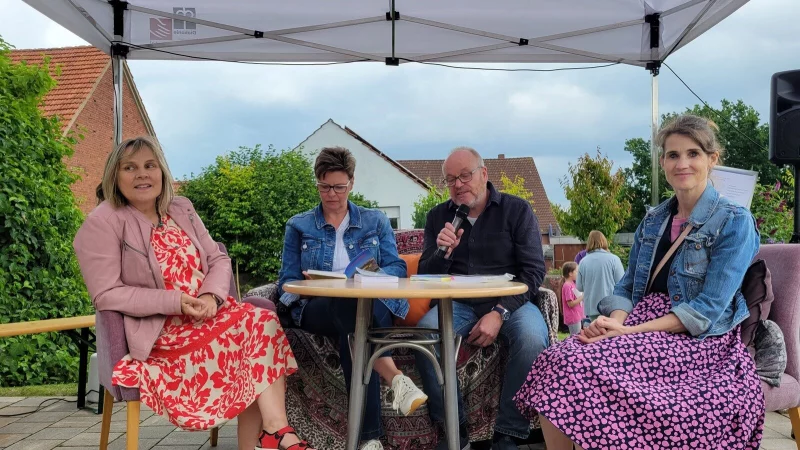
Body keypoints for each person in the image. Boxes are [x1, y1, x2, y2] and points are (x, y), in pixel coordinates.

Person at [514, 115, 764, 450]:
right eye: (673, 155)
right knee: (555, 359)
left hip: (698, 341)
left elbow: (705, 312)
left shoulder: (735, 221)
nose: (682, 163)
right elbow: (628, 287)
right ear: (662, 162)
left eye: (693, 154)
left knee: (575, 365)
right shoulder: (655, 218)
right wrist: (609, 323)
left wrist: (628, 332)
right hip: (639, 324)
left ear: (712, 159)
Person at [74, 136, 312, 450]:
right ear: (115, 178)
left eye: (150, 165)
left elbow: (218, 258)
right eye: (129, 168)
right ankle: (275, 434)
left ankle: (272, 431)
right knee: (256, 330)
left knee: (259, 321)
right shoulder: (103, 222)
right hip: (163, 333)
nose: (142, 174)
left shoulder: (181, 209)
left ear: (162, 172)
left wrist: (211, 297)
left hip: (210, 317)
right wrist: (175, 301)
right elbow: (106, 294)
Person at [277, 146, 427, 450]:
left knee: (354, 326)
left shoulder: (375, 221)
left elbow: (397, 267)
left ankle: (369, 440)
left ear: (352, 184)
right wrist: (310, 284)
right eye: (324, 186)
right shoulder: (299, 225)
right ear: (317, 182)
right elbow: (286, 284)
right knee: (348, 308)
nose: (331, 194)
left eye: (339, 187)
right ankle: (394, 384)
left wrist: (369, 275)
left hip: (373, 305)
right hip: (317, 307)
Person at [415, 147, 550, 450]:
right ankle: (455, 429)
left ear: (484, 174)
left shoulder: (517, 210)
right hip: (457, 305)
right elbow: (425, 275)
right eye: (451, 180)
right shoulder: (438, 216)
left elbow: (533, 272)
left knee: (532, 339)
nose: (459, 185)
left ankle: (508, 433)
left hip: (510, 301)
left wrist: (499, 312)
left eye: (465, 176)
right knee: (424, 338)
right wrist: (442, 253)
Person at [575, 230, 624, 321]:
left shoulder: (583, 262)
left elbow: (579, 287)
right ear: (604, 241)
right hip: (611, 307)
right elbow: (621, 283)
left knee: (596, 334)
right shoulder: (614, 259)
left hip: (591, 308)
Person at [559, 262, 583, 336]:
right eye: (576, 271)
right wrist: (583, 296)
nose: (578, 273)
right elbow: (570, 304)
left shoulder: (572, 284)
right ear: (570, 273)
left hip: (577, 316)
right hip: (573, 317)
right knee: (576, 338)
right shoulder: (567, 286)